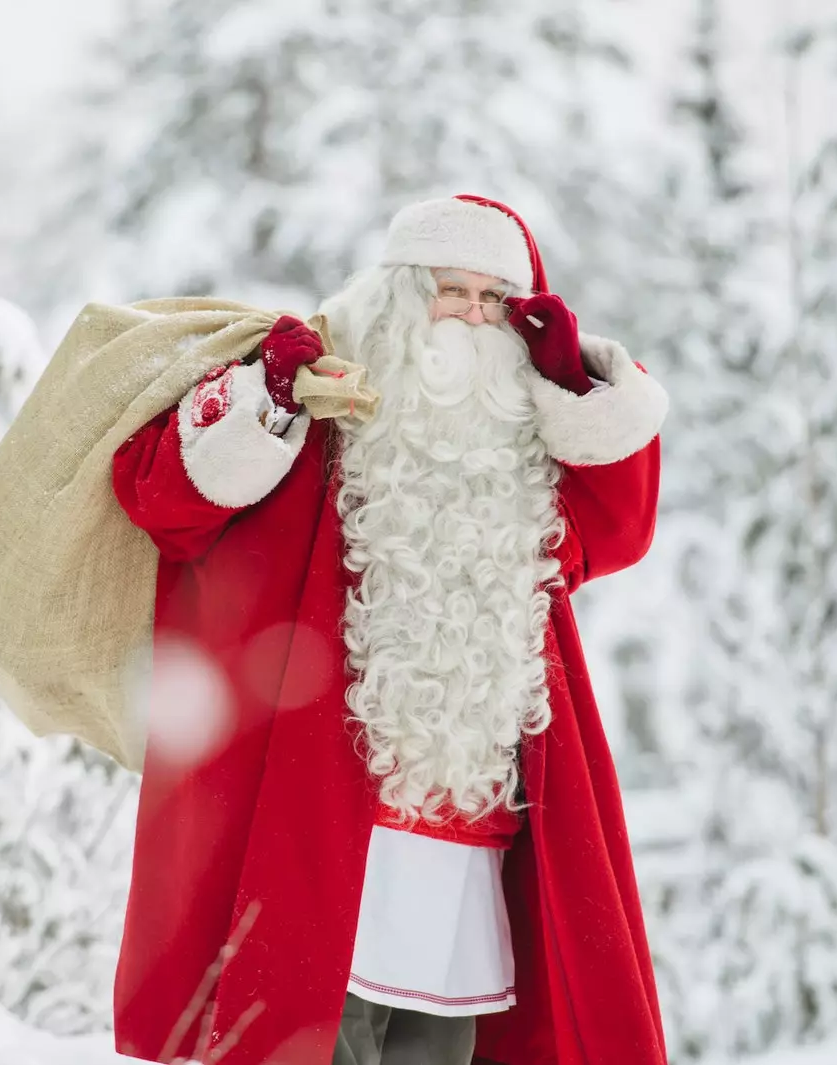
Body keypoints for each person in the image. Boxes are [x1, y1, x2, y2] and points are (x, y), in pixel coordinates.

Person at [109, 194, 669, 1065]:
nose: (474, 317)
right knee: (311, 1035)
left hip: (471, 840)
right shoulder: (325, 415)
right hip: (321, 830)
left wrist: (574, 385)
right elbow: (167, 504)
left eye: (496, 301)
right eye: (453, 291)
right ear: (402, 295)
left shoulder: (524, 456)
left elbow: (621, 528)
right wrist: (271, 394)